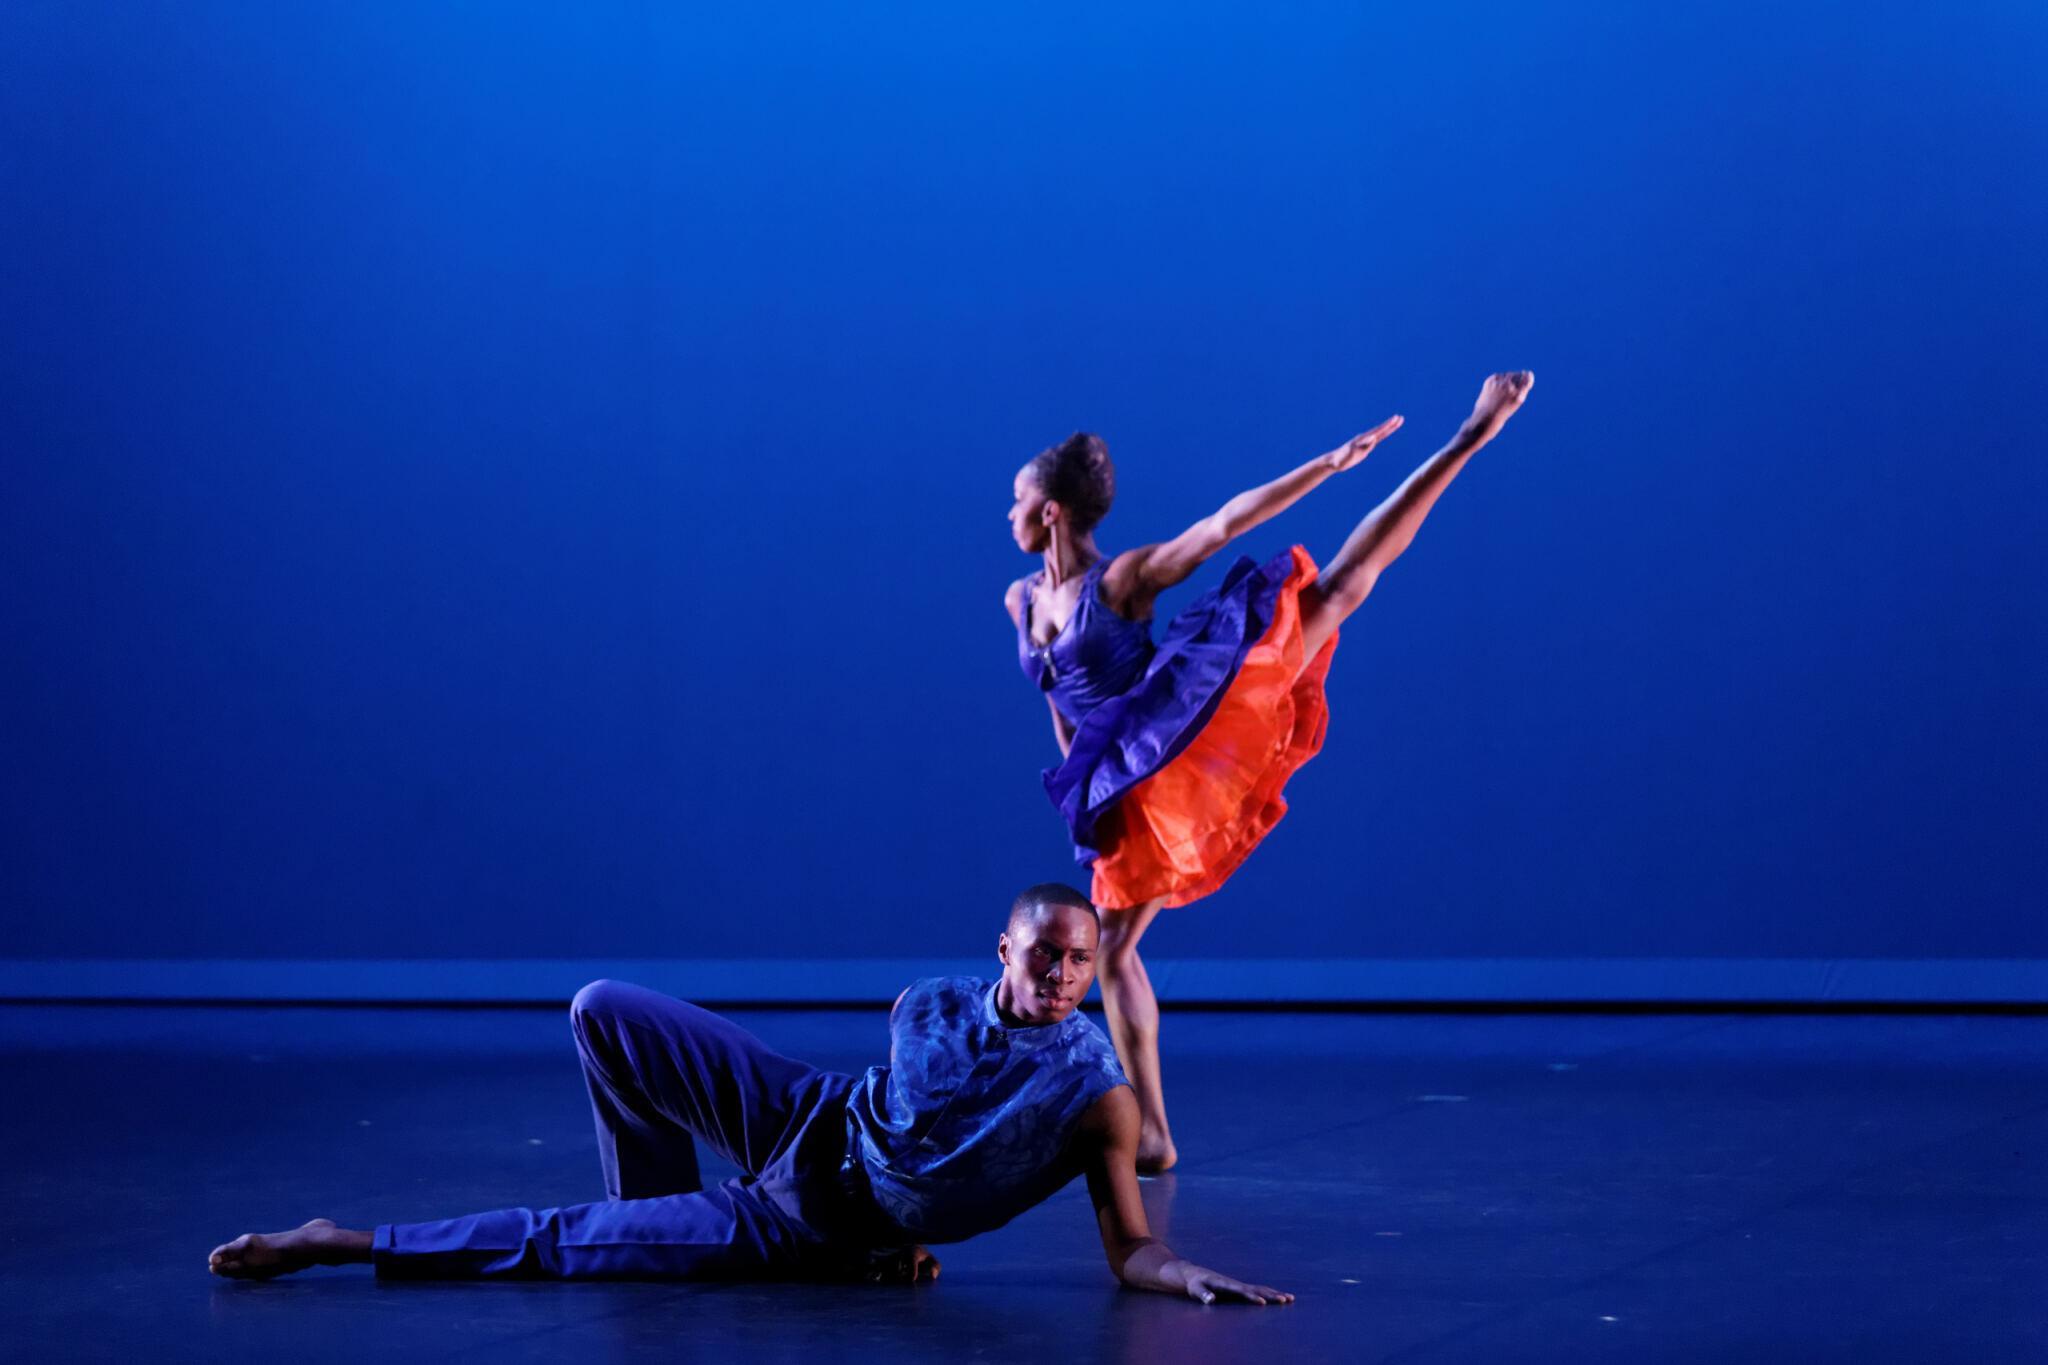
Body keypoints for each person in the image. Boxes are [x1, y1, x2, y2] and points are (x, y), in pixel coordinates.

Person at [206, 883, 1293, 1306]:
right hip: (804, 1114)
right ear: (1000, 950)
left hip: (811, 1225)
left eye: (1078, 964)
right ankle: (655, 1209)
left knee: (557, 1241)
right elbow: (908, 1121)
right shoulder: (927, 1004)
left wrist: (1183, 1271)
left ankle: (336, 1241)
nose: (1060, 978)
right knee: (600, 1009)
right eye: (1041, 956)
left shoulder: (1093, 1091)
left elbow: (1128, 1247)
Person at [1007, 372, 1534, 1170]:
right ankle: (1151, 1129)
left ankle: (1469, 436)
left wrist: (1326, 466)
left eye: (1016, 500)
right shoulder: (1018, 601)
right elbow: (1059, 702)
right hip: (1116, 778)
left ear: (1050, 510)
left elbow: (1221, 525)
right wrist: (1077, 791)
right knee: (1113, 951)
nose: (1007, 513)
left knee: (1338, 589)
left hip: (1178, 727)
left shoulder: (1120, 582)